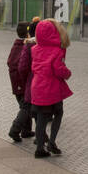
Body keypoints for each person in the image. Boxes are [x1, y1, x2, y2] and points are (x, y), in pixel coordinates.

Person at [28, 19, 73, 158]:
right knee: (58, 113)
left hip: (37, 86)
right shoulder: (57, 50)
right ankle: (52, 142)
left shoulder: (34, 49)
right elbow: (58, 69)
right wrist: (68, 73)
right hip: (52, 87)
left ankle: (40, 148)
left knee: (41, 118)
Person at [7, 22, 37, 143]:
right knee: (26, 107)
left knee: (26, 106)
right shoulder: (23, 47)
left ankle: (26, 131)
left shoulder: (16, 45)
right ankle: (15, 130)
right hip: (22, 84)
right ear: (28, 34)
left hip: (17, 83)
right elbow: (21, 66)